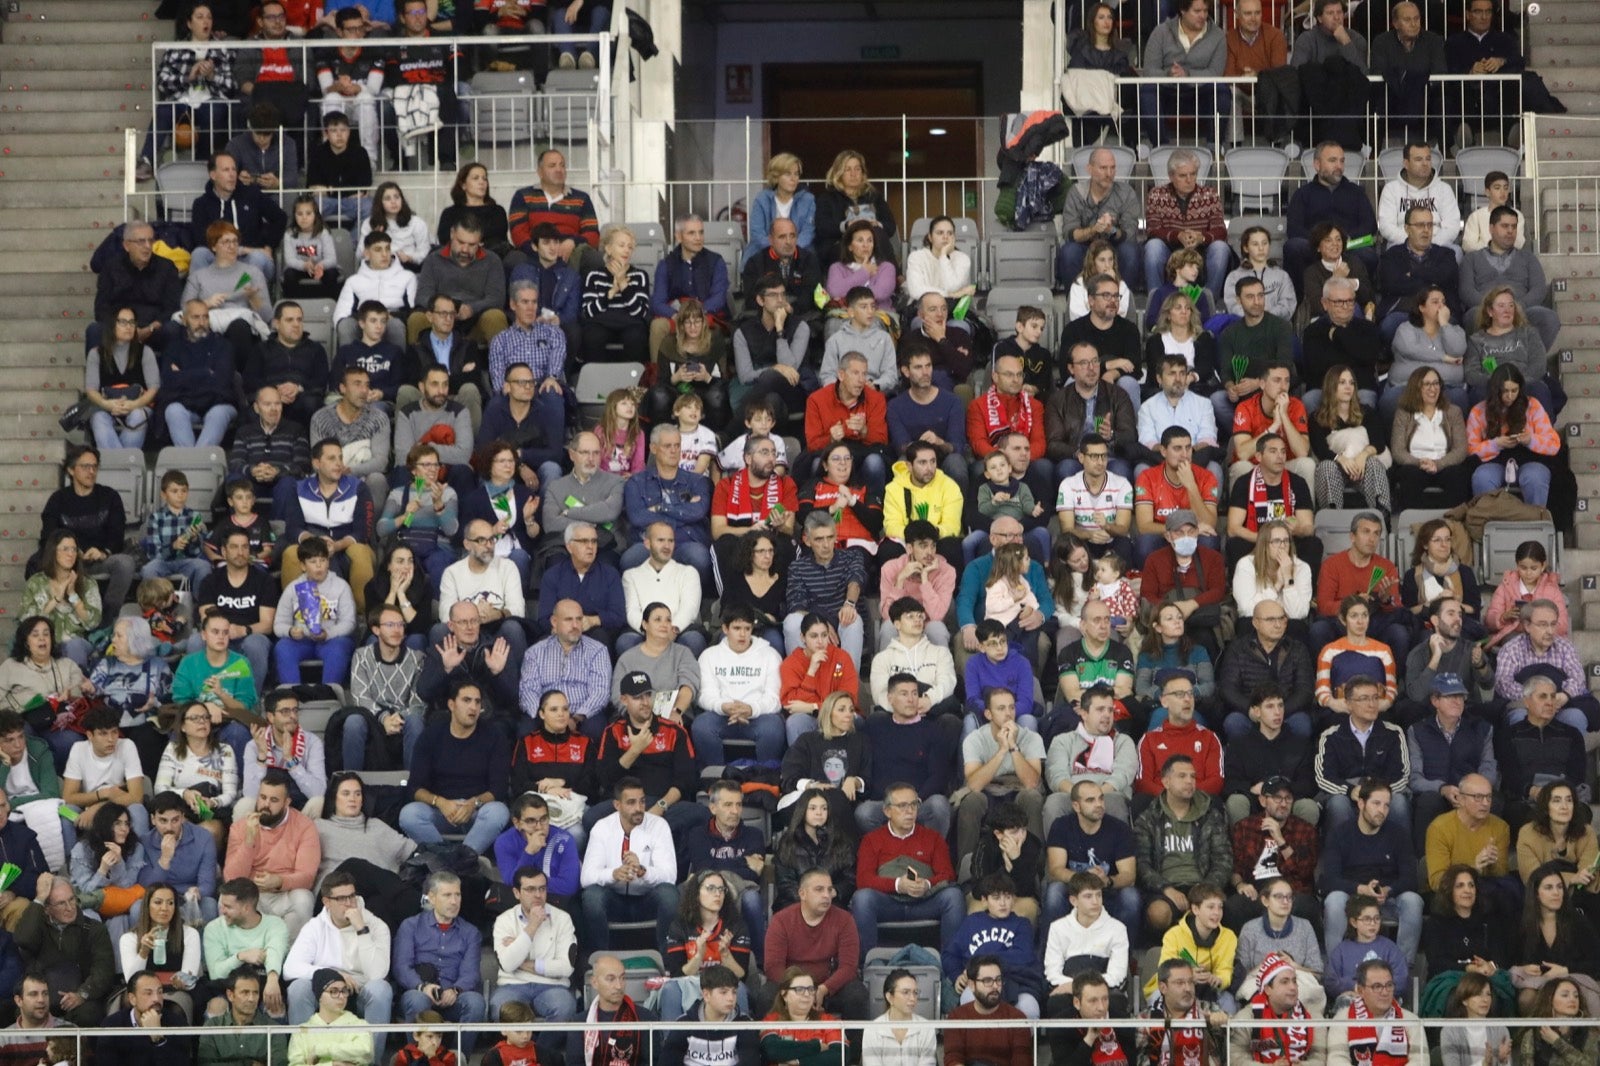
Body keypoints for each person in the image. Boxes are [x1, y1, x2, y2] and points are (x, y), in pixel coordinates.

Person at [1133, 756, 1232, 940]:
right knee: (1158, 913)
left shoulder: (1211, 815)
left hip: (1203, 885)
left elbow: (1223, 860)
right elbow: (1141, 864)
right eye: (1182, 776)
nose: (1189, 781)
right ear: (1166, 781)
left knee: (1211, 912)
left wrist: (1204, 890)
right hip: (1165, 888)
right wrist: (1166, 889)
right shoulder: (1149, 818)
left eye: (1193, 777)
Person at [578, 778, 680, 955]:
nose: (639, 808)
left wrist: (644, 871)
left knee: (669, 894)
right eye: (631, 802)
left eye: (642, 801)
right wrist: (613, 874)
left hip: (647, 900)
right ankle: (599, 959)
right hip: (614, 901)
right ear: (617, 805)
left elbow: (670, 876)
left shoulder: (658, 826)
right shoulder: (602, 828)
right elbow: (586, 877)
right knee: (591, 896)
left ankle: (669, 960)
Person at [281, 869, 391, 1030]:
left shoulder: (376, 926)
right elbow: (290, 969)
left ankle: (371, 1055)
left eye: (352, 896)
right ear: (326, 902)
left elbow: (377, 974)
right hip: (326, 991)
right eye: (341, 898)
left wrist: (361, 929)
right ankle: (304, 1053)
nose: (349, 903)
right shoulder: (315, 927)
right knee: (298, 988)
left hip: (361, 990)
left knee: (381, 990)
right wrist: (332, 976)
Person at [390, 872, 486, 1052]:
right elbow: (401, 967)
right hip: (419, 992)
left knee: (475, 1003)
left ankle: (459, 1059)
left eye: (457, 895)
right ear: (432, 898)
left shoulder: (470, 932)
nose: (454, 901)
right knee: (416, 1000)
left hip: (453, 995)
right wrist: (422, 987)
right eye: (447, 895)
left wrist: (456, 990)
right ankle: (417, 1059)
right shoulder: (410, 926)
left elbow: (470, 973)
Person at [39, 446, 135, 616]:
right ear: (70, 469)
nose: (91, 471)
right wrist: (73, 553)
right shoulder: (58, 500)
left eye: (95, 466)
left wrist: (104, 552)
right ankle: (45, 617)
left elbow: (117, 533)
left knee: (125, 563)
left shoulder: (109, 496)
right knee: (36, 561)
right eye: (85, 467)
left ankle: (107, 619)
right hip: (68, 562)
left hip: (100, 560)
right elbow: (48, 536)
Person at [14, 873, 116, 1025]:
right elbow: (23, 939)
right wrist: (39, 898)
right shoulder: (38, 928)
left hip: (81, 1001)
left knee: (89, 1014)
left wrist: (82, 994)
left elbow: (104, 971)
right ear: (47, 909)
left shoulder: (95, 929)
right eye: (61, 903)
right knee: (19, 1011)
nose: (70, 908)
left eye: (71, 899)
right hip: (41, 999)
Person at [658, 869, 754, 1023]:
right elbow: (677, 975)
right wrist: (698, 956)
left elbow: (742, 975)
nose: (718, 894)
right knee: (670, 990)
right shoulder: (680, 926)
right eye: (710, 888)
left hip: (724, 984)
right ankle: (672, 1045)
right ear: (696, 894)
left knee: (740, 989)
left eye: (721, 889)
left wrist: (726, 955)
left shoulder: (735, 925)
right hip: (690, 983)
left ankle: (741, 1042)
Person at [1285, 142, 1380, 293]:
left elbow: (1369, 225)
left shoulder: (1356, 192)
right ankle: (1303, 303)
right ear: (1317, 164)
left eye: (1342, 161)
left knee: (1368, 255)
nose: (1339, 166)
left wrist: (1343, 241)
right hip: (1314, 248)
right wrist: (1321, 242)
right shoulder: (1303, 194)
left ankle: (1361, 304)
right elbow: (1294, 228)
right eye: (1332, 161)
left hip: (1348, 247)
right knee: (1294, 247)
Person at [1467, 362, 1560, 507]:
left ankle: (1535, 522)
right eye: (1504, 391)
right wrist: (1495, 444)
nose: (1509, 396)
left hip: (1528, 459)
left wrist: (1531, 440)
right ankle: (1485, 522)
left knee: (1534, 477)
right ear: (1495, 390)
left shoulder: (1533, 406)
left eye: (1514, 390)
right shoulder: (1478, 411)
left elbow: (1553, 445)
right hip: (1494, 461)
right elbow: (1471, 450)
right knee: (1482, 477)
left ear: (1520, 389)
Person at [1143, 150, 1231, 299]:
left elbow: (1220, 230)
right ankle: (1156, 300)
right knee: (1153, 247)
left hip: (1201, 249)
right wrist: (1178, 236)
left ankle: (1209, 300)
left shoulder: (1210, 194)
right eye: (1183, 175)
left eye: (1193, 174)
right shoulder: (1157, 194)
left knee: (1221, 248)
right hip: (1170, 248)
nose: (1189, 180)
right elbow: (1153, 230)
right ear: (1171, 176)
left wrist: (1201, 238)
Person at [1494, 605, 1598, 731]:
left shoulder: (1565, 647)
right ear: (1527, 626)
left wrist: (1565, 695)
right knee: (1519, 716)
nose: (1550, 631)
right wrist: (1538, 699)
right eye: (1543, 625)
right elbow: (1503, 684)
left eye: (1553, 624)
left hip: (1560, 707)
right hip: (1524, 706)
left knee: (1575, 717)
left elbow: (1578, 679)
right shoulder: (1511, 649)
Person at [272, 535, 358, 686]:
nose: (319, 566)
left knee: (339, 648)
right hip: (301, 641)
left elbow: (349, 623)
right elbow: (279, 624)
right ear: (303, 566)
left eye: (323, 560)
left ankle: (329, 695)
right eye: (313, 562)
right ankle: (291, 696)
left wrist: (328, 634)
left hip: (331, 640)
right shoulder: (293, 588)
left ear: (328, 562)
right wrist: (291, 631)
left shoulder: (341, 586)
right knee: (283, 647)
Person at [409, 218, 508, 348]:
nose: (465, 249)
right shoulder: (433, 260)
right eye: (461, 242)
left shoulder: (492, 261)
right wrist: (446, 309)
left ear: (480, 241)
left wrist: (471, 309)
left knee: (496, 317)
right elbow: (422, 297)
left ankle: (501, 367)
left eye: (472, 244)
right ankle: (419, 366)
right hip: (439, 320)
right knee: (417, 319)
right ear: (451, 234)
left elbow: (496, 299)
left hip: (475, 322)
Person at [1389, 366, 1474, 506]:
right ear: (1416, 388)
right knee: (1409, 475)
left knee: (1457, 474)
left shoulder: (1453, 412)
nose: (1433, 388)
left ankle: (1454, 521)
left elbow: (1461, 449)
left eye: (1436, 383)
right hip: (1415, 465)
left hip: (1445, 464)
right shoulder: (1404, 413)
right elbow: (1398, 451)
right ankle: (1412, 522)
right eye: (1427, 384)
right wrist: (1419, 463)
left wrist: (1438, 464)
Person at [1056, 148, 1140, 288]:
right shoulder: (1076, 193)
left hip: (1114, 247)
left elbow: (1130, 233)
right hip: (1085, 247)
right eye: (1103, 168)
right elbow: (1070, 233)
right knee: (1069, 252)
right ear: (1090, 169)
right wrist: (1094, 230)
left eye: (1112, 168)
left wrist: (1111, 230)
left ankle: (1124, 300)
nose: (1109, 174)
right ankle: (1074, 301)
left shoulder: (1126, 193)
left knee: (1130, 251)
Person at [1229, 951, 1327, 1066]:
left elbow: (1320, 1057)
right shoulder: (1247, 1017)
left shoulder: (1313, 1016)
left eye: (1294, 981)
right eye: (1284, 982)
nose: (1293, 987)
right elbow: (1236, 1057)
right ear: (1267, 989)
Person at [565, 954, 661, 1066]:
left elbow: (652, 1062)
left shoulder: (645, 1019)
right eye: (611, 979)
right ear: (594, 982)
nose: (619, 986)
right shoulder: (580, 1023)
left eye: (622, 978)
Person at [577, 225, 651, 367]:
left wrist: (623, 285)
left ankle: (633, 386)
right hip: (600, 322)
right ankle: (597, 384)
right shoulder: (594, 275)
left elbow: (641, 312)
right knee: (592, 336)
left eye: (630, 247)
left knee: (636, 336)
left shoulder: (640, 275)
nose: (626, 250)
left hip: (630, 323)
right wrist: (610, 293)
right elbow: (588, 311)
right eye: (621, 245)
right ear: (609, 249)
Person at [1137, 959, 1228, 1066]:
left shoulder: (1209, 1010)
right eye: (1180, 983)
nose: (1188, 988)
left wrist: (1223, 1023)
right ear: (1163, 987)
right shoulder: (1146, 1020)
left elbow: (1234, 1040)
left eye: (1190, 982)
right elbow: (1141, 1060)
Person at [1378, 142, 1462, 250]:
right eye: (1418, 159)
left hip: (1438, 245)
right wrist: (1412, 243)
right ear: (1406, 163)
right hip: (1402, 245)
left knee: (1456, 253)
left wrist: (1430, 244)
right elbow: (1386, 227)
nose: (1425, 163)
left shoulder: (1444, 189)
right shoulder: (1391, 189)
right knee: (1391, 257)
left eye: (1428, 159)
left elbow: (1452, 226)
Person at [286, 968, 373, 1066]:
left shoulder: (360, 1025)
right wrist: (332, 1064)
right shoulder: (301, 1032)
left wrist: (319, 1051)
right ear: (320, 996)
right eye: (334, 991)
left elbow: (365, 1051)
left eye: (344, 991)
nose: (341, 996)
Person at [742, 153, 815, 268]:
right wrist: (778, 251)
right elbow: (757, 233)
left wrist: (790, 250)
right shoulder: (762, 199)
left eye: (796, 174)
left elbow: (808, 232)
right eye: (788, 174)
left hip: (797, 252)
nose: (793, 179)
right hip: (765, 252)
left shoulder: (808, 200)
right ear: (776, 176)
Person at [1512, 976, 1600, 1063]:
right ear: (1550, 999)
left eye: (1576, 996)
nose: (1572, 999)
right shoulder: (1533, 1034)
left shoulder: (1589, 1031)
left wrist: (1557, 1042)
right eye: (1565, 995)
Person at [861, 969, 937, 1066]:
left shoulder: (927, 1029)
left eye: (915, 992)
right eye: (906, 992)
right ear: (889, 997)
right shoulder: (872, 1030)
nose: (912, 998)